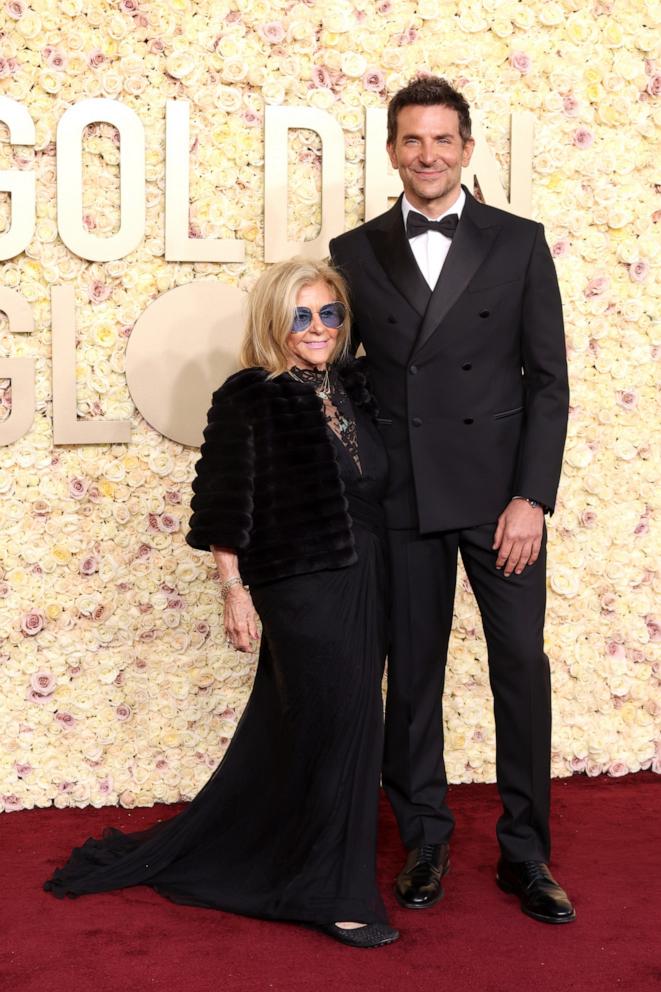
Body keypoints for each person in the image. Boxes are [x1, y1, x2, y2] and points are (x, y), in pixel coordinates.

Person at [44, 258, 399, 949]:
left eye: (329, 313)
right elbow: (223, 504)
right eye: (301, 315)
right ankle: (334, 893)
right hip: (299, 583)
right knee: (341, 724)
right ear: (275, 320)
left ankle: (290, 859)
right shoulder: (251, 396)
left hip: (367, 575)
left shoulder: (352, 386)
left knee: (325, 725)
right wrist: (233, 591)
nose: (318, 327)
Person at [330, 75, 575, 925]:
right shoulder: (354, 250)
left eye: (442, 140)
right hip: (402, 499)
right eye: (411, 140)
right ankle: (425, 839)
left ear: (466, 148)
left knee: (520, 671)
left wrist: (529, 498)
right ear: (392, 149)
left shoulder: (517, 241)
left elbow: (547, 382)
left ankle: (525, 854)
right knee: (415, 678)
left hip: (499, 500)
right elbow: (340, 375)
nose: (427, 155)